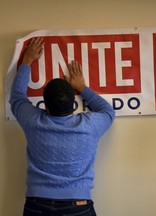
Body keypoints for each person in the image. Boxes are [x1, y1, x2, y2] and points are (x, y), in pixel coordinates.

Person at [9, 37, 115, 216]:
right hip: (79, 204)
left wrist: (27, 60)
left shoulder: (33, 121)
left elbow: (17, 97)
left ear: (45, 105)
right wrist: (82, 88)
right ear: (74, 103)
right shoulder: (88, 126)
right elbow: (108, 112)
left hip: (37, 204)